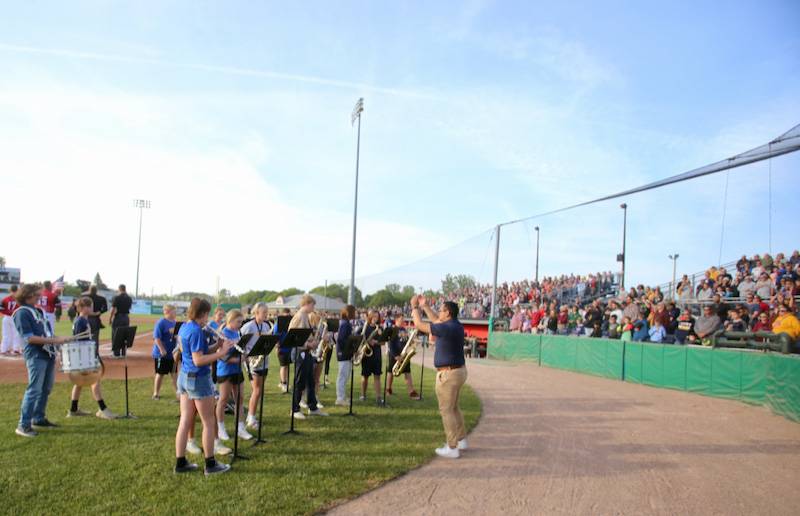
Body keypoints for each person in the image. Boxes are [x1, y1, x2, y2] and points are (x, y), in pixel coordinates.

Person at [174, 297, 233, 475]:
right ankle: (210, 464)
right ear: (204, 313)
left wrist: (216, 346)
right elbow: (199, 360)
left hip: (184, 377)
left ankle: (180, 462)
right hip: (198, 379)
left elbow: (195, 352)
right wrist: (222, 352)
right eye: (207, 314)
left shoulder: (185, 327)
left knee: (185, 420)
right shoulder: (197, 331)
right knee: (209, 421)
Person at [411, 295, 467, 459]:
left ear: (448, 313)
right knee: (454, 408)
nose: (439, 313)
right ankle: (462, 439)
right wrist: (426, 306)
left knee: (446, 410)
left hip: (448, 374)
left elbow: (419, 325)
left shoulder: (447, 327)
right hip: (459, 371)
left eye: (442, 310)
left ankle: (452, 447)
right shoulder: (455, 325)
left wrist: (415, 307)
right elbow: (436, 320)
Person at [14, 283, 67, 437]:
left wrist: (59, 340)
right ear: (28, 295)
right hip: (36, 355)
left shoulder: (38, 310)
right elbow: (29, 338)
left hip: (47, 354)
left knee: (46, 389)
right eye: (37, 295)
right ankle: (23, 425)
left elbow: (47, 333)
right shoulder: (21, 313)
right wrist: (54, 341)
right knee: (34, 390)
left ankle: (38, 418)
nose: (40, 297)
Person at [67, 296, 116, 419]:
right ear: (83, 308)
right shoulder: (81, 321)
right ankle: (102, 409)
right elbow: (78, 340)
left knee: (79, 383)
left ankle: (73, 410)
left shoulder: (83, 319)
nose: (92, 308)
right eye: (89, 306)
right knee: (95, 380)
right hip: (83, 355)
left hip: (84, 354)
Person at [215, 309, 253, 442]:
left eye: (241, 322)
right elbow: (221, 355)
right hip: (225, 370)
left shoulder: (238, 333)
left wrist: (244, 356)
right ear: (230, 320)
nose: (240, 324)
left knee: (240, 398)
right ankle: (221, 428)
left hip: (237, 370)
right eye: (238, 321)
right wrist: (237, 360)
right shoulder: (223, 334)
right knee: (224, 399)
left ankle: (240, 428)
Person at [288, 296, 328, 418]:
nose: (313, 308)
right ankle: (295, 409)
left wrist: (314, 340)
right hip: (300, 352)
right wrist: (309, 344)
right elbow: (293, 337)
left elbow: (304, 335)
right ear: (307, 304)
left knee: (310, 381)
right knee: (299, 381)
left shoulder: (305, 315)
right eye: (313, 305)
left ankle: (312, 407)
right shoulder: (300, 316)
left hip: (306, 352)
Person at [241, 302, 271, 430]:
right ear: (256, 313)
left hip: (264, 360)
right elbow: (240, 342)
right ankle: (251, 418)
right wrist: (246, 357)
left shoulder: (265, 325)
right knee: (257, 390)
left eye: (266, 312)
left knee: (259, 391)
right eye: (264, 312)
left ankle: (250, 416)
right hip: (253, 362)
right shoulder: (248, 327)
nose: (266, 314)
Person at [386, 313, 420, 399]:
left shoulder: (404, 330)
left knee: (407, 372)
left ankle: (411, 392)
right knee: (391, 372)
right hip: (395, 355)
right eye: (402, 319)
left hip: (404, 354)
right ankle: (388, 389)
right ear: (397, 319)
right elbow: (391, 344)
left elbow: (406, 341)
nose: (403, 320)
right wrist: (395, 355)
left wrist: (413, 342)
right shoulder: (393, 329)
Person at [152, 304, 179, 401]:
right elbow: (156, 338)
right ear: (167, 312)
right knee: (160, 373)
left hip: (172, 354)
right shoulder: (161, 323)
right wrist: (161, 349)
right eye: (174, 311)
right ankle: (156, 393)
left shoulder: (175, 323)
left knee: (174, 374)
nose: (175, 313)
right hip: (161, 354)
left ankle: (178, 394)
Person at [359, 310, 384, 404]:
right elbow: (360, 339)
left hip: (377, 355)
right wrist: (368, 342)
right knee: (365, 376)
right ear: (369, 316)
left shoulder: (380, 328)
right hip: (366, 354)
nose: (375, 318)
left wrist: (376, 342)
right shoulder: (365, 327)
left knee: (377, 376)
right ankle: (363, 395)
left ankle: (378, 397)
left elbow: (383, 342)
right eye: (373, 316)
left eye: (377, 317)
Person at [335, 304, 356, 406]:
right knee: (342, 376)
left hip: (345, 352)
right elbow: (341, 340)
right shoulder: (345, 324)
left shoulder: (346, 323)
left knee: (345, 375)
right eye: (353, 312)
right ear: (348, 313)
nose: (355, 314)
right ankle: (340, 398)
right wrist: (350, 348)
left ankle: (342, 396)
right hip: (343, 353)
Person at [109, 284, 132, 357]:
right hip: (126, 317)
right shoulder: (129, 298)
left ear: (119, 289)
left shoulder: (117, 297)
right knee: (124, 335)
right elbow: (130, 308)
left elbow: (113, 309)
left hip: (118, 317)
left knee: (116, 334)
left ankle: (116, 353)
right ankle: (123, 353)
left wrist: (110, 318)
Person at [274, 307, 292, 394]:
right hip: (282, 347)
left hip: (289, 347)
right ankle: (283, 383)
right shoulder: (278, 324)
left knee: (287, 366)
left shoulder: (290, 323)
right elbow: (275, 335)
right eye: (286, 315)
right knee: (283, 366)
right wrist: (277, 347)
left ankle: (284, 381)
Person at [1, 285, 22, 355]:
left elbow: (1, 309)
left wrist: (7, 312)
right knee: (16, 333)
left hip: (6, 317)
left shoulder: (5, 299)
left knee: (6, 334)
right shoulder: (18, 299)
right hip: (15, 317)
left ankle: (4, 349)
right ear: (17, 290)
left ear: (10, 290)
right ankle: (15, 349)